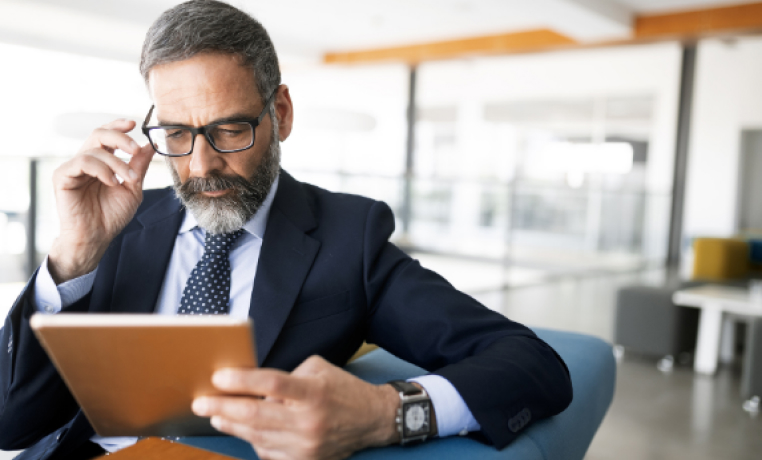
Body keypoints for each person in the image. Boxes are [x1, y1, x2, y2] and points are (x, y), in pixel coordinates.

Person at [0, 1, 572, 459]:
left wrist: (383, 414)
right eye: (176, 133)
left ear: (282, 113)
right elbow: (12, 421)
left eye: (229, 130)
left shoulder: (350, 239)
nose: (200, 166)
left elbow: (531, 363)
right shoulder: (116, 224)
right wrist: (74, 255)